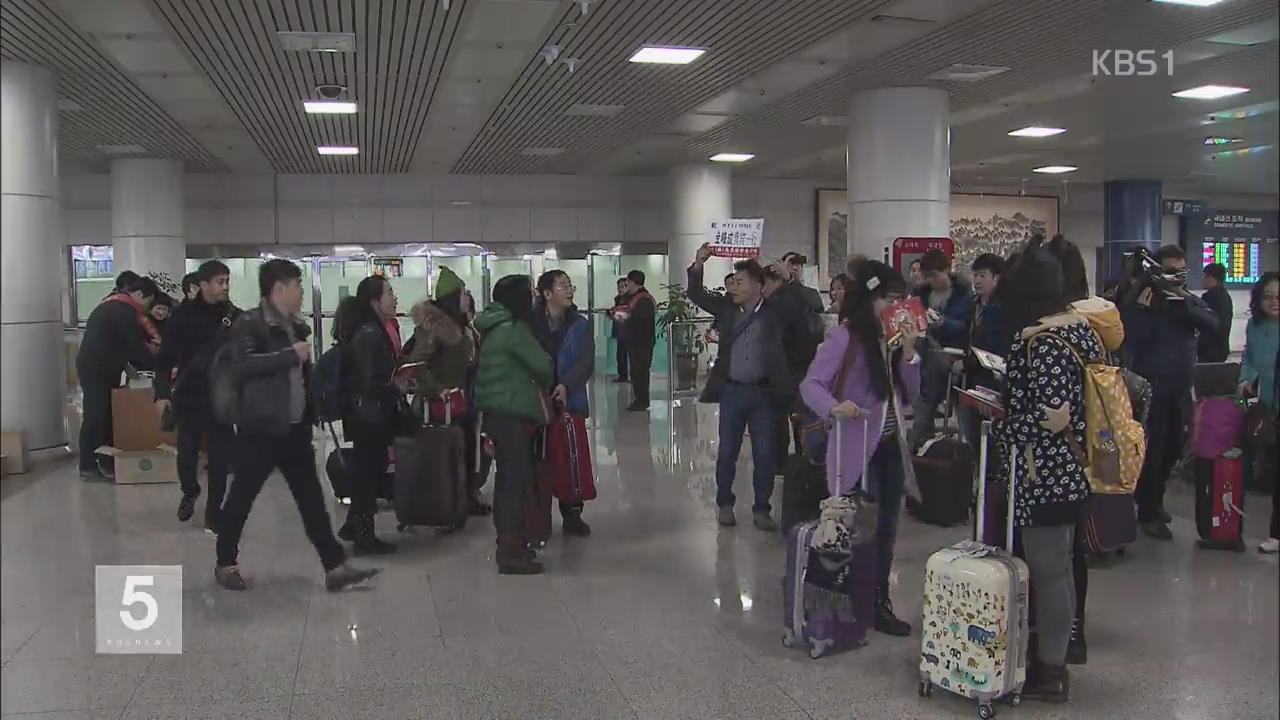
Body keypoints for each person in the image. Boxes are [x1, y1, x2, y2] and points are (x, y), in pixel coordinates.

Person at [214, 259, 378, 592]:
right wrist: (290, 355)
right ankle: (225, 562)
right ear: (278, 289)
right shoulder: (250, 324)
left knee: (311, 500)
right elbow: (242, 367)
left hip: (293, 429)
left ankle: (335, 567)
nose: (302, 292)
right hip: (260, 429)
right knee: (242, 498)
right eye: (297, 286)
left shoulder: (294, 325)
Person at [993, 237, 1098, 703]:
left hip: (1047, 473)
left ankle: (1051, 669)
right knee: (1061, 567)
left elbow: (1052, 415)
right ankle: (1052, 655)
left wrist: (1004, 426)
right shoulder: (1082, 329)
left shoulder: (1043, 342)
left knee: (1051, 569)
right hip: (1076, 468)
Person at [800, 260, 922, 637]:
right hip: (854, 448)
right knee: (847, 527)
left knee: (885, 526)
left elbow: (911, 394)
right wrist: (834, 407)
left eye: (900, 299)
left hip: (890, 447)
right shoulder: (844, 338)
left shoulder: (896, 341)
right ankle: (836, 602)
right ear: (870, 299)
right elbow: (811, 385)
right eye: (888, 299)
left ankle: (877, 600)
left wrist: (911, 355)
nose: (895, 307)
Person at [1046, 234, 1125, 666]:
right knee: (1074, 544)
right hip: (1097, 441)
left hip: (1067, 446)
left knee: (1064, 548)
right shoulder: (1101, 321)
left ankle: (1068, 630)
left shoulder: (1062, 326)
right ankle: (1074, 628)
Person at [686, 244, 794, 532]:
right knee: (727, 452)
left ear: (759, 286)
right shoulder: (727, 309)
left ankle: (762, 508)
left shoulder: (775, 311)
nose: (734, 286)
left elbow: (805, 304)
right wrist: (698, 263)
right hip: (733, 391)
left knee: (764, 453)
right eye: (732, 282)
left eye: (740, 281)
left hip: (764, 393)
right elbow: (695, 294)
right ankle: (724, 503)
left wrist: (789, 278)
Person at [1122, 245, 1221, 540]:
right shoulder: (1144, 302)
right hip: (1151, 389)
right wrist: (1149, 307)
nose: (1176, 277)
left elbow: (1214, 324)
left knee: (1174, 449)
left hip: (1180, 388)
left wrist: (1184, 306)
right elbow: (1130, 338)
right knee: (1153, 451)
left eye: (1181, 271)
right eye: (1170, 271)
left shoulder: (1188, 300)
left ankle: (1156, 499)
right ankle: (1148, 509)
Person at [154, 260, 242, 532]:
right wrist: (162, 393)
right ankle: (190, 491)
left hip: (222, 395)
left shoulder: (234, 316)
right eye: (219, 281)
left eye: (227, 281)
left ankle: (214, 511)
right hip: (190, 393)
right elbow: (165, 358)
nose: (225, 287)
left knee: (219, 457)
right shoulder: (182, 317)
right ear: (202, 285)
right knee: (187, 451)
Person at [475, 275, 554, 574]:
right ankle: (510, 551)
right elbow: (543, 365)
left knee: (509, 478)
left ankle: (513, 544)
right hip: (511, 412)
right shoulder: (515, 329)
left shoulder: (493, 327)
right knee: (513, 481)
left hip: (495, 412)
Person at [406, 267, 488, 515]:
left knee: (469, 449)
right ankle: (451, 498)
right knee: (452, 452)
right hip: (443, 406)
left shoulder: (463, 326)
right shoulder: (436, 328)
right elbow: (416, 365)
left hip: (465, 399)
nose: (467, 297)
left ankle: (467, 495)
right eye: (463, 293)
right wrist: (436, 389)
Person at [332, 276, 400, 555]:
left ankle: (354, 525)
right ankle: (364, 535)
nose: (394, 298)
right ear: (374, 301)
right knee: (367, 473)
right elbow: (368, 381)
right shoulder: (370, 333)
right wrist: (396, 388)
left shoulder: (371, 329)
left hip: (365, 413)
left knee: (369, 469)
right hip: (368, 414)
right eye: (389, 293)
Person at [75, 275, 160, 481]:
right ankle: (87, 465)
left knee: (104, 415)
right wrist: (158, 363)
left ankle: (104, 461)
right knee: (95, 415)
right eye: (148, 302)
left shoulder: (113, 304)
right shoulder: (124, 311)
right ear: (139, 294)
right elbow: (135, 347)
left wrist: (127, 365)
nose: (147, 308)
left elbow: (116, 342)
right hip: (97, 369)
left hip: (100, 366)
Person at [532, 270, 596, 536]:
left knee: (572, 458)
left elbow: (585, 362)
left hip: (570, 401)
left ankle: (572, 514)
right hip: (537, 400)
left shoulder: (580, 324)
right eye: (562, 286)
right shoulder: (532, 323)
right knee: (541, 458)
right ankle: (538, 516)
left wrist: (566, 385)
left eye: (570, 285)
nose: (569, 290)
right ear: (547, 294)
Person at [909, 248, 974, 448]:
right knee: (923, 413)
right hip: (928, 358)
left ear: (947, 270)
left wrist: (944, 323)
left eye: (934, 275)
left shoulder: (964, 295)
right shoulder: (920, 294)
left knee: (964, 417)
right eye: (927, 276)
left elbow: (968, 326)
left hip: (956, 359)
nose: (931, 281)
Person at [1238, 273, 1278, 553]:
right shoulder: (1255, 326)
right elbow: (1250, 357)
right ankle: (1276, 534)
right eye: (1269, 296)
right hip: (1270, 407)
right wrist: (1245, 379)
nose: (1275, 302)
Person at [621, 270, 656, 411]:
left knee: (640, 371)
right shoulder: (633, 297)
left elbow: (639, 320)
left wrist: (623, 316)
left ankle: (642, 400)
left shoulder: (643, 299)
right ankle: (639, 398)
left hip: (642, 341)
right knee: (636, 371)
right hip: (636, 340)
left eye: (628, 281)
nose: (626, 284)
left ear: (634, 282)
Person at [1198, 263, 1234, 363]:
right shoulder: (1225, 296)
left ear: (1211, 278)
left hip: (1209, 350)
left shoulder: (1210, 297)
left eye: (1204, 276)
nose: (1203, 280)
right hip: (1221, 348)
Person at [610, 278, 630, 383]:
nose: (620, 289)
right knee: (620, 354)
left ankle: (632, 376)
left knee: (631, 355)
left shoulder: (632, 299)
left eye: (623, 286)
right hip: (620, 330)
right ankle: (622, 375)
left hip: (630, 331)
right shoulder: (617, 299)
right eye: (619, 287)